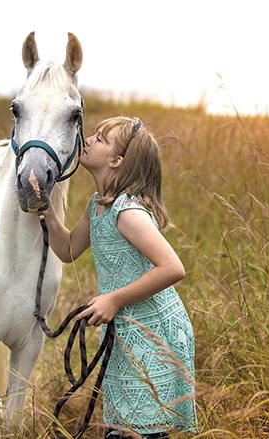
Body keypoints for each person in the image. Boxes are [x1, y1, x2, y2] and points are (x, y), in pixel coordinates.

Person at [42, 117, 197, 438]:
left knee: (142, 430)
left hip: (152, 331)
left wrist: (113, 298)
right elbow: (68, 249)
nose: (87, 140)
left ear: (116, 160)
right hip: (126, 330)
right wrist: (46, 210)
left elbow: (173, 267)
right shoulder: (98, 205)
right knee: (124, 427)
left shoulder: (127, 212)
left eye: (99, 139)